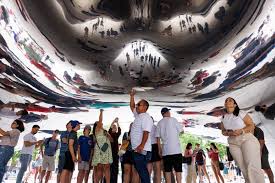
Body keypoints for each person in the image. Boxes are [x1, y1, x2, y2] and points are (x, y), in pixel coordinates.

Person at [221, 97, 265, 183]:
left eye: (230, 100)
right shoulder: (224, 117)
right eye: (226, 101)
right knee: (242, 167)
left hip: (246, 139)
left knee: (251, 166)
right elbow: (223, 131)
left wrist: (241, 131)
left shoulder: (241, 113)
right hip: (233, 142)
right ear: (225, 105)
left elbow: (251, 125)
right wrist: (227, 133)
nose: (227, 101)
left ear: (235, 104)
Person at [129, 89, 153, 183]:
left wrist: (141, 145)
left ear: (145, 107)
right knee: (141, 171)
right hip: (138, 149)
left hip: (142, 149)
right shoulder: (139, 115)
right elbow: (132, 106)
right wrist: (132, 96)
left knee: (143, 172)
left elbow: (146, 132)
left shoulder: (146, 117)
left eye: (139, 104)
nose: (136, 106)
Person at [156, 108, 183, 183]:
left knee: (167, 171)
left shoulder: (159, 123)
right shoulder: (173, 120)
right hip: (176, 150)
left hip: (166, 152)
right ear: (167, 112)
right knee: (178, 171)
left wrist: (159, 150)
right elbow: (182, 131)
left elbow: (157, 138)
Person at [92, 109, 112, 183]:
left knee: (107, 167)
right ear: (97, 125)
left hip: (106, 150)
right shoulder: (97, 130)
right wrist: (101, 112)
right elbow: (100, 120)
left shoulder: (104, 131)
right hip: (100, 150)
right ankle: (97, 181)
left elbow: (112, 140)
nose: (101, 123)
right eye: (99, 123)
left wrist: (108, 135)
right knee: (99, 167)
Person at [108, 117, 121, 183]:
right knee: (109, 168)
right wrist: (114, 121)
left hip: (115, 154)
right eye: (113, 127)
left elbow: (119, 130)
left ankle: (114, 181)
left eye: (115, 127)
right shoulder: (110, 134)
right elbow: (110, 127)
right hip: (110, 154)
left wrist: (117, 122)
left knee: (115, 169)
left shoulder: (117, 134)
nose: (114, 127)